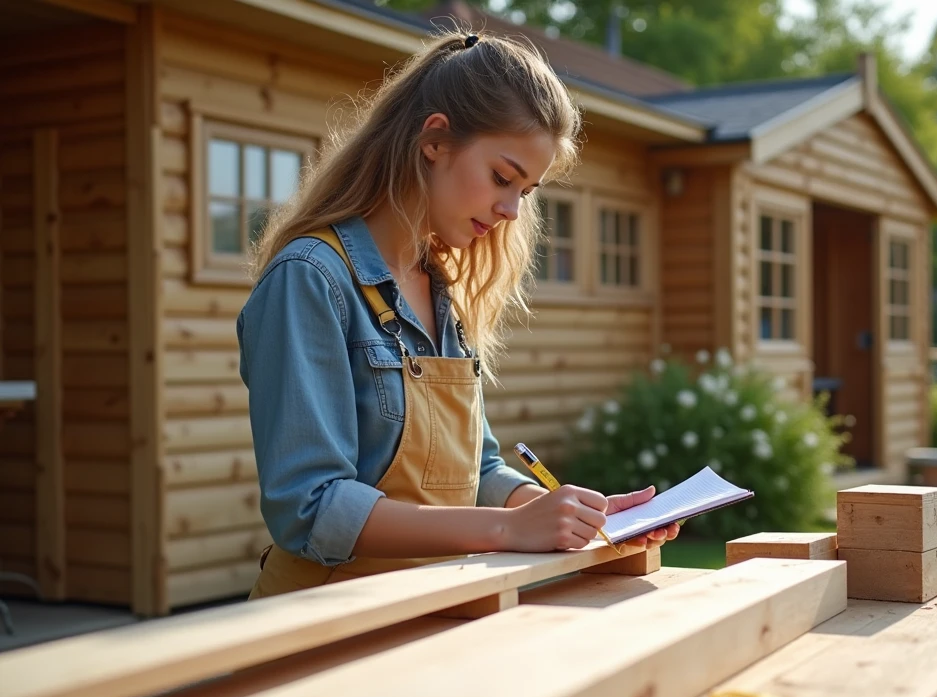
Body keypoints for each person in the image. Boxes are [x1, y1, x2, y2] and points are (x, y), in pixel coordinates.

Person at [238, 30, 678, 599]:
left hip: (428, 614)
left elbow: (479, 470)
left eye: (527, 190)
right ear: (436, 140)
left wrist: (567, 514)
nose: (512, 210)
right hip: (318, 628)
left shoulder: (440, 287)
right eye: (502, 177)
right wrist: (509, 529)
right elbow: (312, 506)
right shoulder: (311, 279)